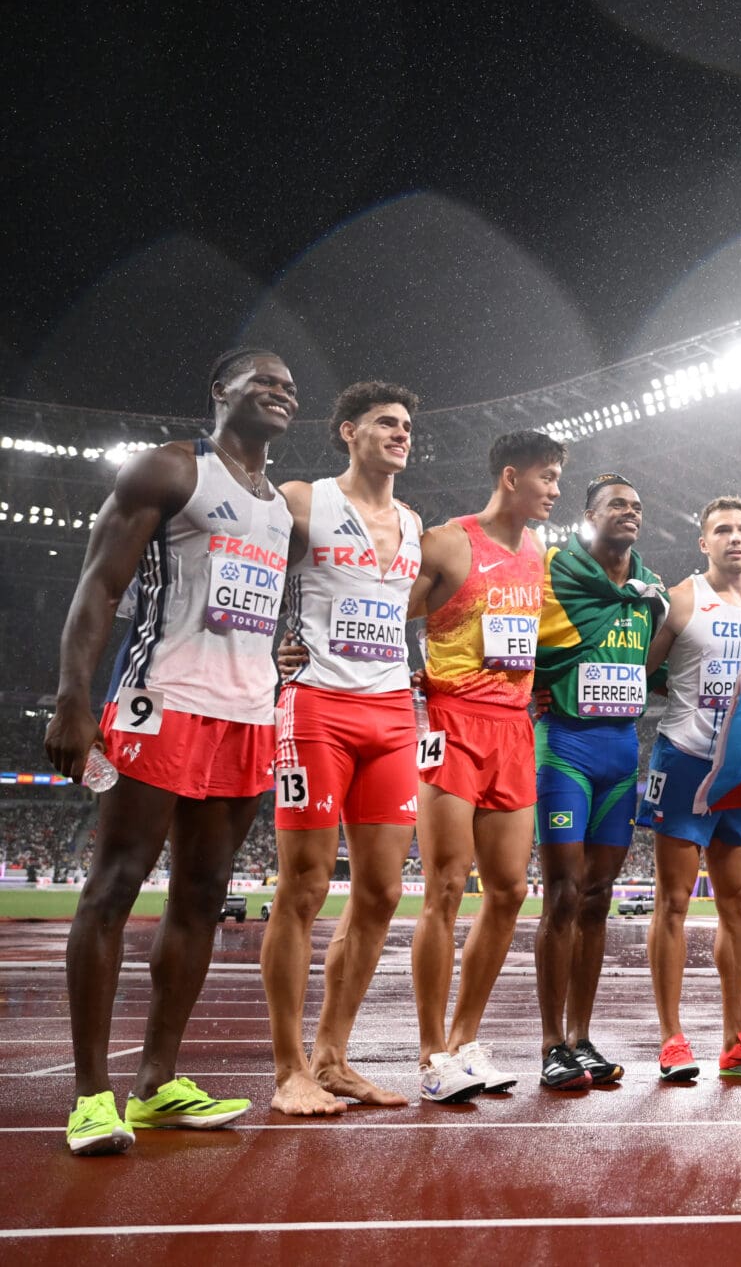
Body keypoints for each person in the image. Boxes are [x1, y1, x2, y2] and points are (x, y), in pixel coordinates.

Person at [45, 347, 298, 1154]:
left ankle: (156, 1083)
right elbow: (99, 585)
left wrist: (276, 661)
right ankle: (92, 1096)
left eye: (290, 385)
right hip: (161, 702)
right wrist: (73, 698)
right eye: (262, 377)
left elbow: (248, 612)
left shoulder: (281, 509)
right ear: (218, 390)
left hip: (249, 715)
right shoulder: (171, 470)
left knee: (202, 894)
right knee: (114, 884)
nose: (279, 390)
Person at [262, 381, 425, 1116]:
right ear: (347, 431)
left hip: (393, 711)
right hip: (317, 705)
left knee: (383, 892)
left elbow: (406, 608)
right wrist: (271, 648)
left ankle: (333, 1055)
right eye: (386, 423)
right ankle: (289, 1066)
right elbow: (240, 561)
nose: (401, 433)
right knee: (301, 889)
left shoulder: (415, 522)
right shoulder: (304, 499)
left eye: (407, 425)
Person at [410, 429, 561, 1100]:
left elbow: (535, 638)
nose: (555, 490)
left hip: (513, 727)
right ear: (510, 477)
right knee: (445, 885)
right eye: (546, 477)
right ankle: (430, 1053)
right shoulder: (448, 541)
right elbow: (388, 611)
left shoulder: (538, 552)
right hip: (452, 722)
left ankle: (466, 1039)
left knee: (508, 891)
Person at [639, 497, 741, 1081]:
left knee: (739, 905)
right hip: (684, 760)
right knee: (672, 901)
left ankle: (736, 1042)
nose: (735, 538)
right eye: (723, 530)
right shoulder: (681, 599)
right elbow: (640, 672)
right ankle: (672, 1038)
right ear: (703, 542)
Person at [531, 474, 668, 1088]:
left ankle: (581, 1037)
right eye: (617, 504)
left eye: (638, 505)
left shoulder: (650, 593)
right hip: (564, 746)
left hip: (621, 753)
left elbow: (669, 663)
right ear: (588, 517)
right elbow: (493, 607)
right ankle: (549, 1044)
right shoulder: (551, 570)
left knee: (597, 898)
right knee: (562, 893)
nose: (630, 513)